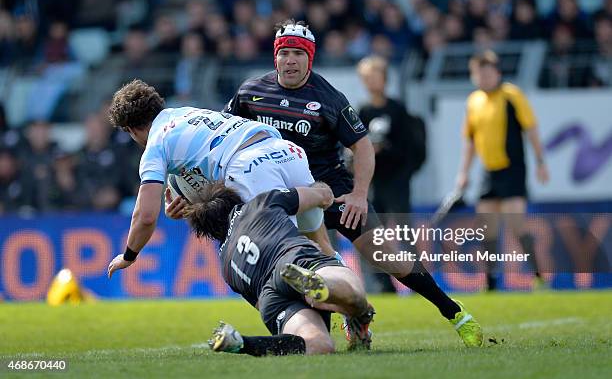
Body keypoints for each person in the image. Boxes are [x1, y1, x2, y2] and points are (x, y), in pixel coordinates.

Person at [224, 19, 483, 347]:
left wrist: (359, 194)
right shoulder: (250, 93)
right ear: (275, 57)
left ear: (310, 58)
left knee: (384, 255)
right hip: (286, 200)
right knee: (310, 266)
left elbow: (361, 146)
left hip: (332, 191)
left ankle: (454, 312)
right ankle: (344, 324)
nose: (290, 60)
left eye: (298, 54)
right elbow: (225, 137)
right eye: (284, 53)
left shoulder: (328, 98)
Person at [106, 79, 333, 278]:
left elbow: (145, 217)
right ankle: (351, 308)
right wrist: (189, 205)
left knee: (278, 253)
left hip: (251, 166)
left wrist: (129, 255)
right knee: (322, 244)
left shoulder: (155, 146)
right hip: (286, 151)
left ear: (130, 130)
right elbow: (213, 155)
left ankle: (304, 315)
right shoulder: (188, 113)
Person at [185, 182, 374, 355]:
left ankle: (242, 343)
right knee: (356, 295)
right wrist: (321, 186)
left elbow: (259, 305)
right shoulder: (260, 203)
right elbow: (322, 195)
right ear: (233, 199)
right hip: (294, 260)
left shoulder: (225, 265)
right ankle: (320, 285)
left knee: (319, 345)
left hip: (272, 298)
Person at [455, 50, 550, 290]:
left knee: (516, 224)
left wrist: (540, 162)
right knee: (487, 229)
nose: (484, 78)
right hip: (489, 172)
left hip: (513, 169)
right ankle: (490, 282)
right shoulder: (473, 101)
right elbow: (470, 141)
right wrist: (464, 173)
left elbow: (531, 129)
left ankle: (539, 276)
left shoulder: (512, 95)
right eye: (479, 74)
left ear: (497, 73)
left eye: (488, 73)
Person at [356, 55, 426, 293]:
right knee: (375, 236)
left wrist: (385, 149)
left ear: (384, 79)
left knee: (405, 234)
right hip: (373, 182)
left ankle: (420, 282)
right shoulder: (362, 110)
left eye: (374, 77)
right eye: (366, 78)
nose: (371, 82)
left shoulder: (397, 109)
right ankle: (383, 284)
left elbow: (408, 149)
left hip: (396, 181)